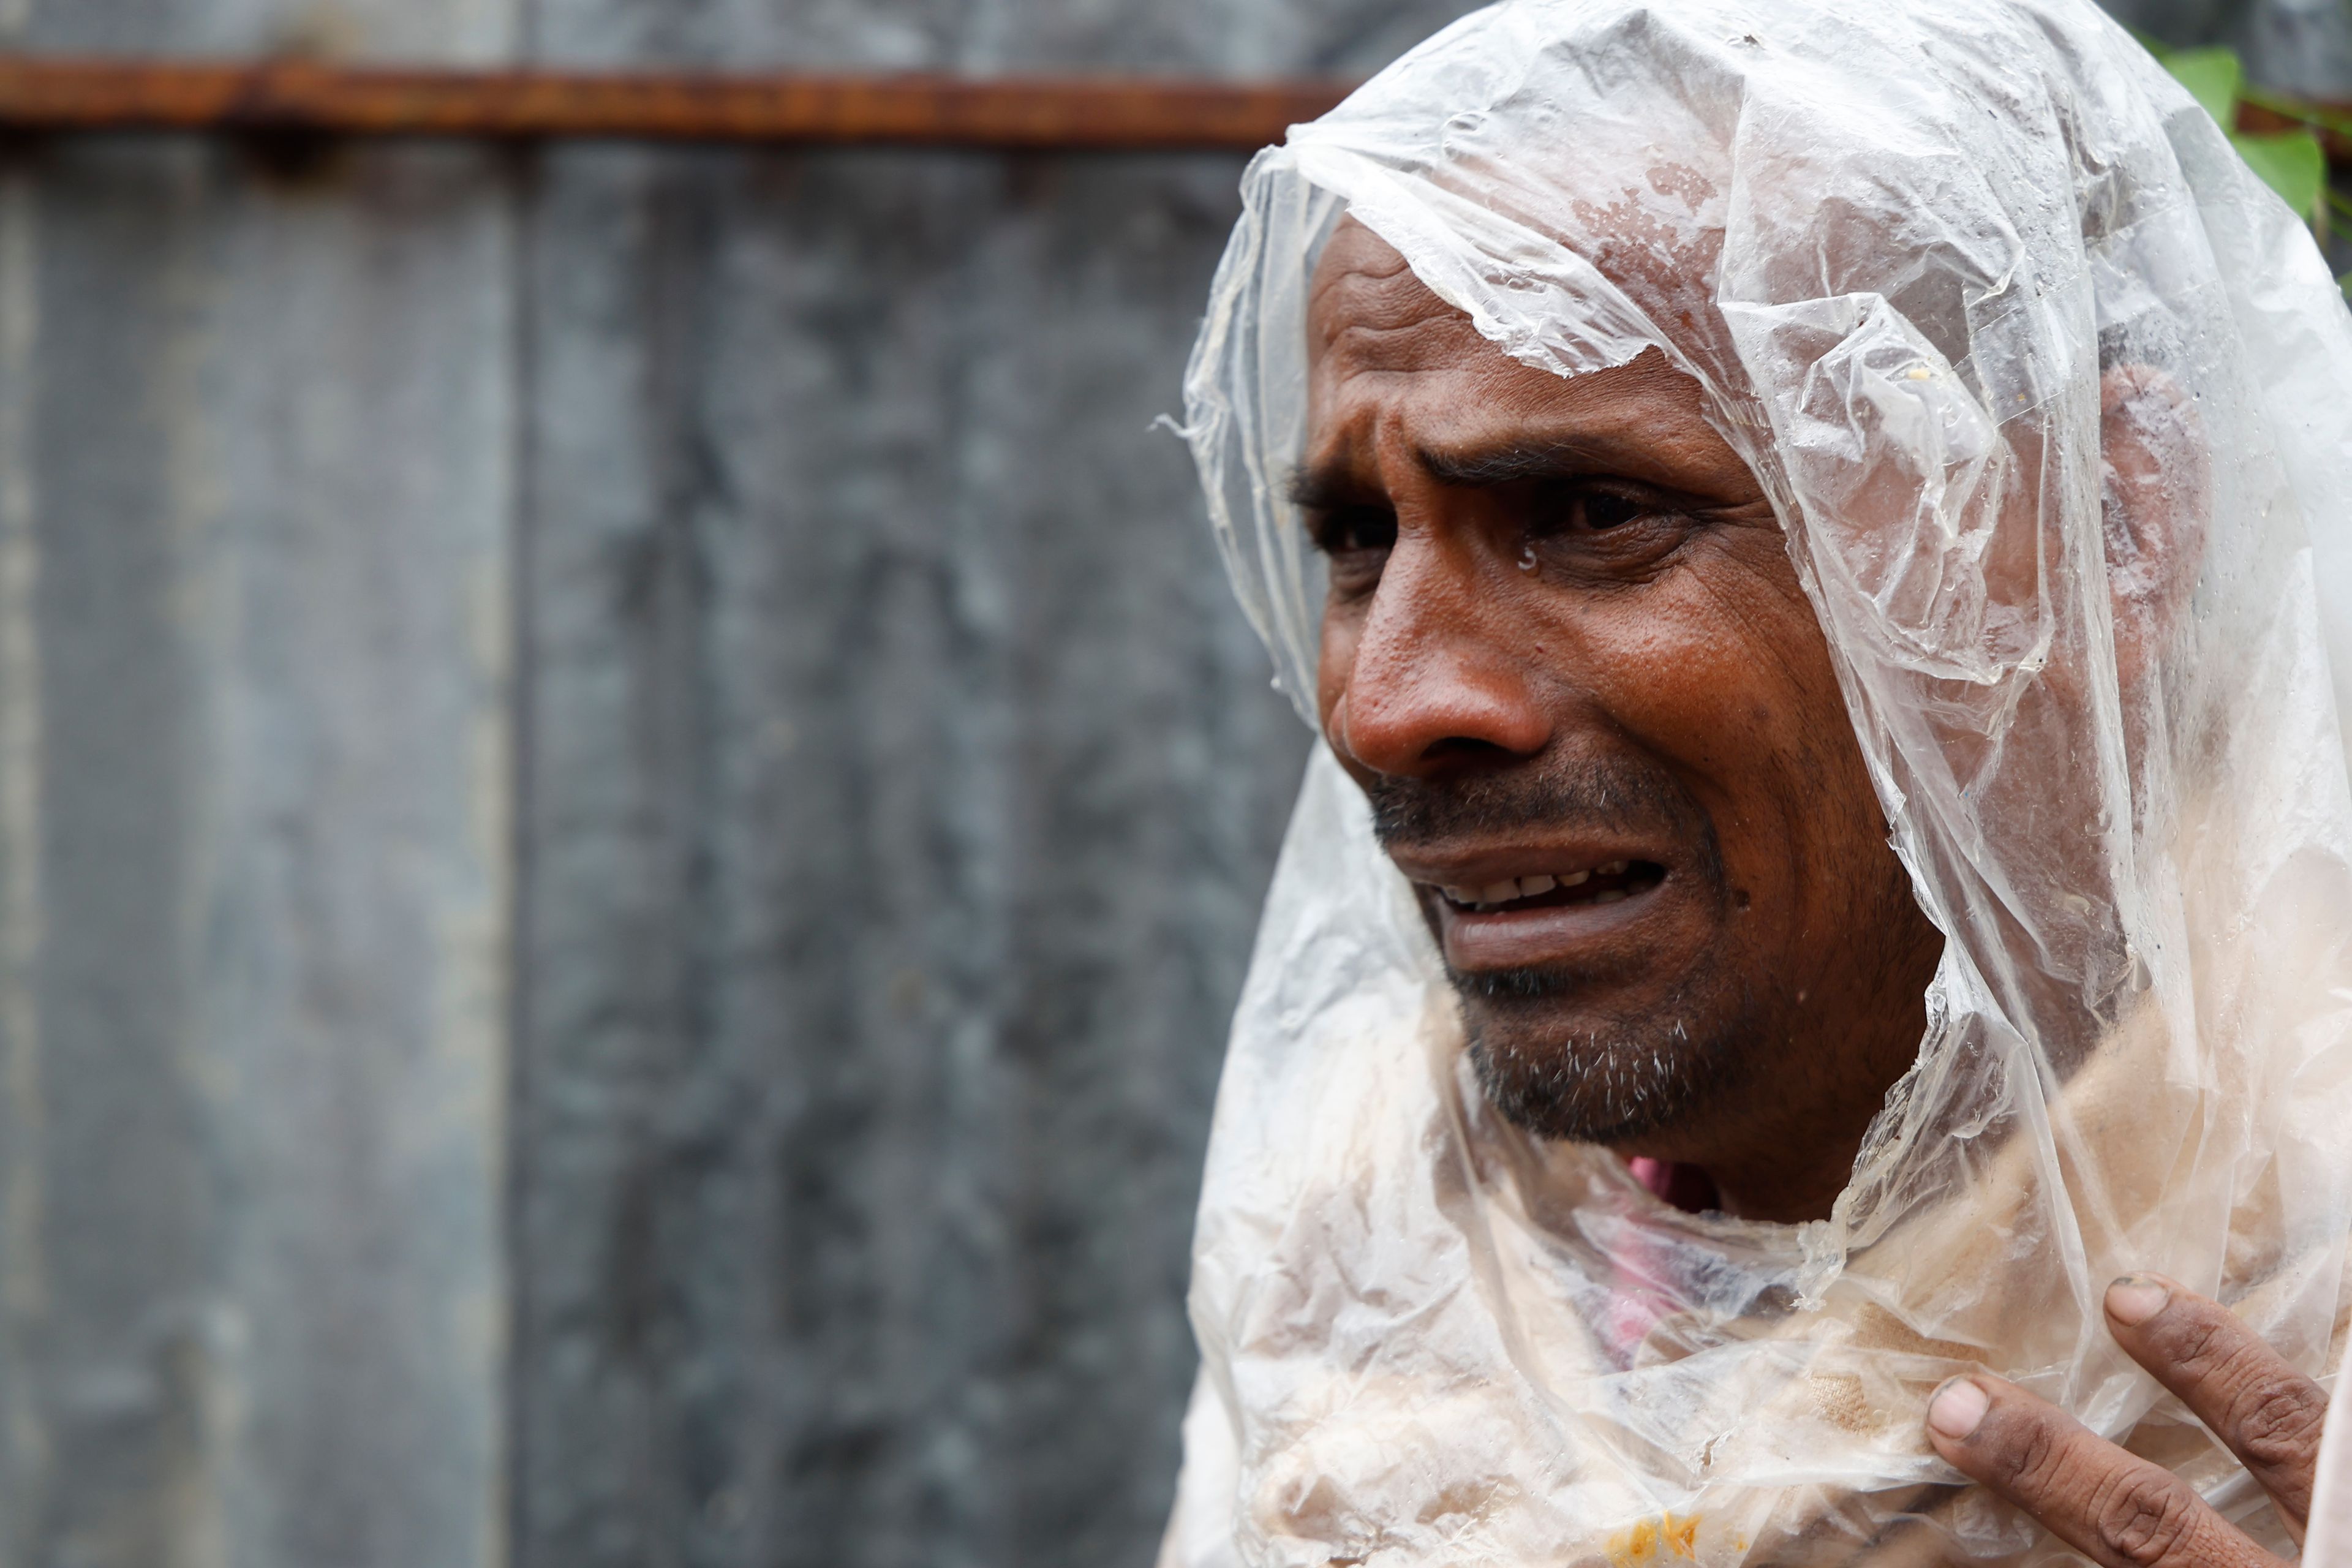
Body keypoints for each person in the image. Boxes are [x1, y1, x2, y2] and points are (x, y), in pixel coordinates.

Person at [1160, 1, 2352, 1564]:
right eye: (1358, 540)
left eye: (1592, 509)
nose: (1387, 707)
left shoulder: (2309, 1233)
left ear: (2101, 525)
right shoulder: (1378, 1208)